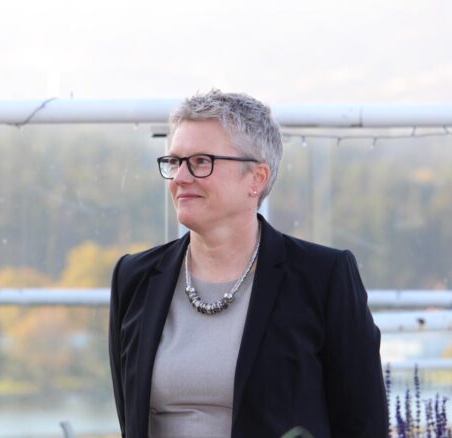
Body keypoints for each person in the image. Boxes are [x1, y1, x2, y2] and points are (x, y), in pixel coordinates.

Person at [109, 90, 388, 438]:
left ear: (256, 178)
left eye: (201, 162)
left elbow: (364, 425)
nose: (180, 177)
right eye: (175, 161)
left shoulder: (323, 279)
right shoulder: (134, 278)